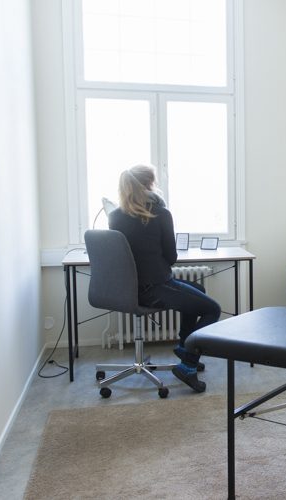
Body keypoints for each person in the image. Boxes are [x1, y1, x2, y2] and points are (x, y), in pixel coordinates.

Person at [108, 164, 221, 393]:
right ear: (149, 185)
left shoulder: (115, 216)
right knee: (213, 309)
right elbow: (171, 257)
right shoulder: (160, 213)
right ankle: (188, 365)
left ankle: (184, 347)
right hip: (155, 288)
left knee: (197, 291)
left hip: (130, 290)